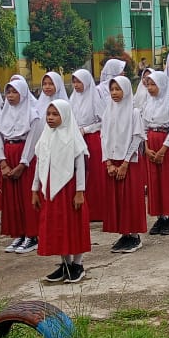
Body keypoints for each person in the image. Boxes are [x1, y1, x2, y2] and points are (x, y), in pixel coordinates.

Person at [32, 99, 90, 285]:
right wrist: (35, 189)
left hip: (69, 188)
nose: (50, 118)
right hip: (50, 189)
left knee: (73, 224)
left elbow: (80, 166)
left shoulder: (73, 137)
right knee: (58, 225)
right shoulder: (45, 136)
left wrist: (80, 191)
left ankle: (78, 265)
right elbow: (39, 164)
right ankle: (65, 264)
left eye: (55, 114)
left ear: (64, 116)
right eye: (48, 114)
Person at [102, 75, 147, 253]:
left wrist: (125, 163)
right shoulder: (108, 111)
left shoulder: (134, 112)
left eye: (118, 89)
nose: (114, 93)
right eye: (112, 89)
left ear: (126, 90)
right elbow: (103, 137)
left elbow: (137, 138)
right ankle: (124, 233)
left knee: (130, 198)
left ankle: (134, 236)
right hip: (113, 162)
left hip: (129, 162)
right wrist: (108, 162)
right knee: (117, 199)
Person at [0, 78, 42, 255]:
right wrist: (2, 162)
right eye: (8, 92)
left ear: (23, 93)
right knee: (12, 198)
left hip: (25, 158)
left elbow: (32, 142)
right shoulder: (3, 114)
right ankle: (19, 233)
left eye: (14, 92)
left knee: (26, 196)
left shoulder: (33, 114)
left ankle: (32, 235)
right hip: (8, 156)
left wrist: (23, 164)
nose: (10, 96)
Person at [141, 70, 169, 236]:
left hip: (166, 146)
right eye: (148, 85)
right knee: (155, 180)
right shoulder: (148, 104)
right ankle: (160, 216)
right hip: (151, 144)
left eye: (154, 85)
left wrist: (162, 150)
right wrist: (146, 148)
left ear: (162, 85)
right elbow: (143, 128)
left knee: (168, 179)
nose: (150, 88)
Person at [70, 69, 109, 225]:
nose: (76, 85)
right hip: (76, 139)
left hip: (92, 139)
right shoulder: (72, 99)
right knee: (80, 174)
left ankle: (98, 210)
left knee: (94, 175)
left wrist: (86, 129)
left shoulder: (95, 97)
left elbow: (104, 121)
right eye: (74, 81)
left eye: (79, 81)